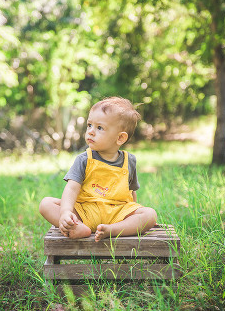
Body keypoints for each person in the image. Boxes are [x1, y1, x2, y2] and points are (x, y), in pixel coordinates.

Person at [38, 97, 158, 242]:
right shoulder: (84, 159)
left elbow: (131, 193)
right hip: (86, 212)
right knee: (46, 204)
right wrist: (65, 212)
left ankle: (113, 230)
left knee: (150, 214)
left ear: (120, 138)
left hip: (117, 214)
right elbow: (71, 189)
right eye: (89, 125)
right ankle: (77, 227)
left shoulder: (129, 161)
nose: (91, 132)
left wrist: (135, 215)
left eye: (99, 128)